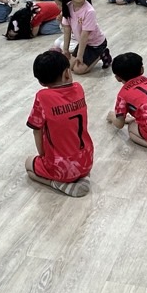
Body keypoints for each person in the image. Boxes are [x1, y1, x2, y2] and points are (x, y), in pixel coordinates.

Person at [25, 50, 93, 198]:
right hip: (87, 160)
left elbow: (36, 129)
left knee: (28, 164)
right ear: (67, 73)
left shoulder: (42, 97)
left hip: (61, 167)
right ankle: (82, 177)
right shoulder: (79, 88)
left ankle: (57, 184)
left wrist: (42, 156)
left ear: (41, 82)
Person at [57, 0, 112, 73]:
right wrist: (65, 50)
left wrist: (80, 55)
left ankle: (102, 53)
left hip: (96, 44)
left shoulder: (89, 11)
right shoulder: (68, 7)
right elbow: (67, 30)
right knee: (69, 66)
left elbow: (85, 35)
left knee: (78, 70)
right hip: (84, 43)